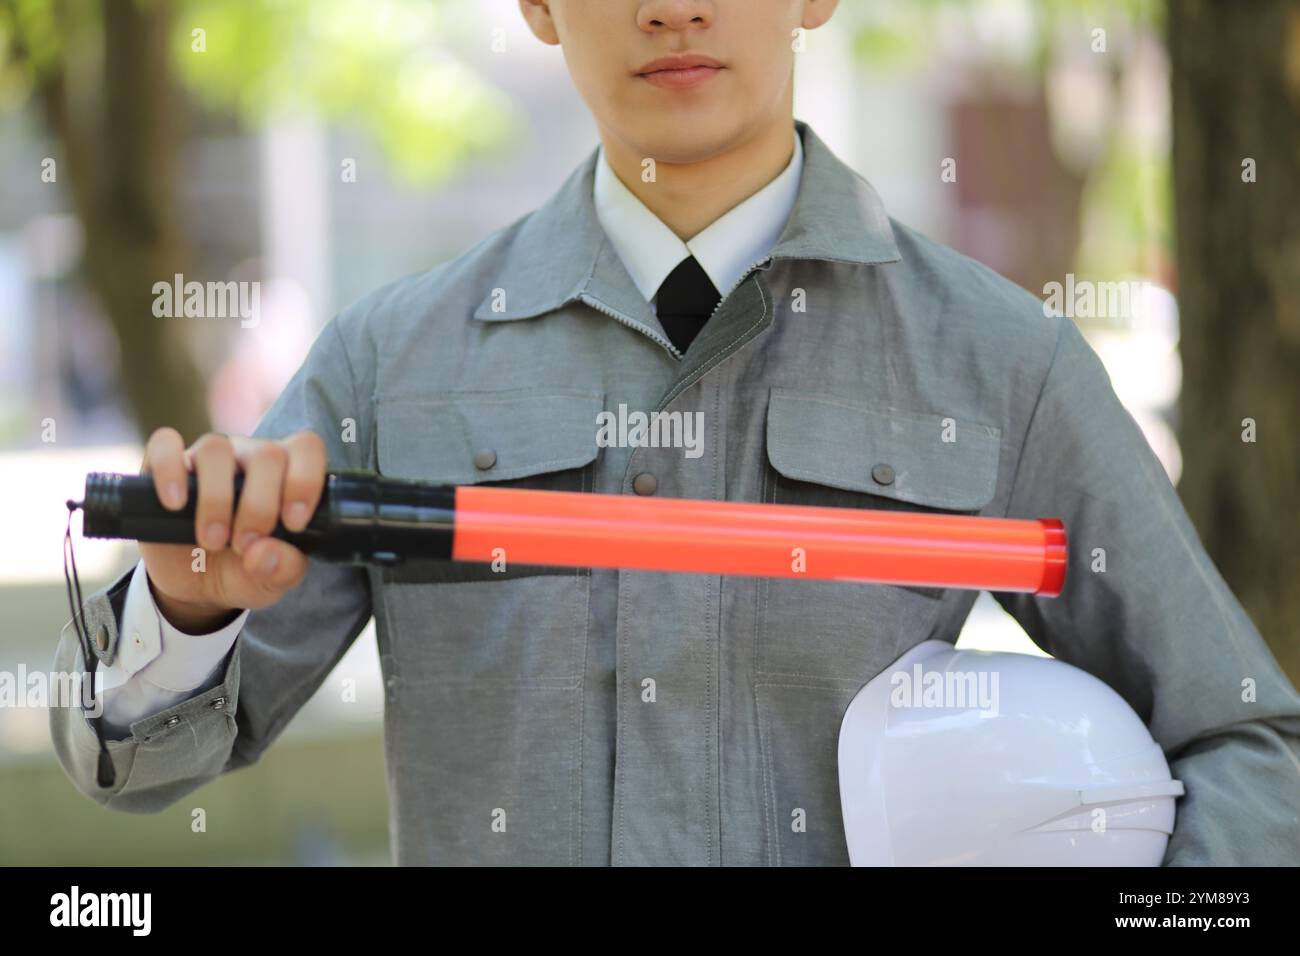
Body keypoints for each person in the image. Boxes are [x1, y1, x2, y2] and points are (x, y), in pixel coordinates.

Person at [51, 0, 1300, 865]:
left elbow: (1249, 739)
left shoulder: (1001, 363)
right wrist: (189, 614)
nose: (672, 8)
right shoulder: (393, 362)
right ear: (538, 6)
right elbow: (122, 762)